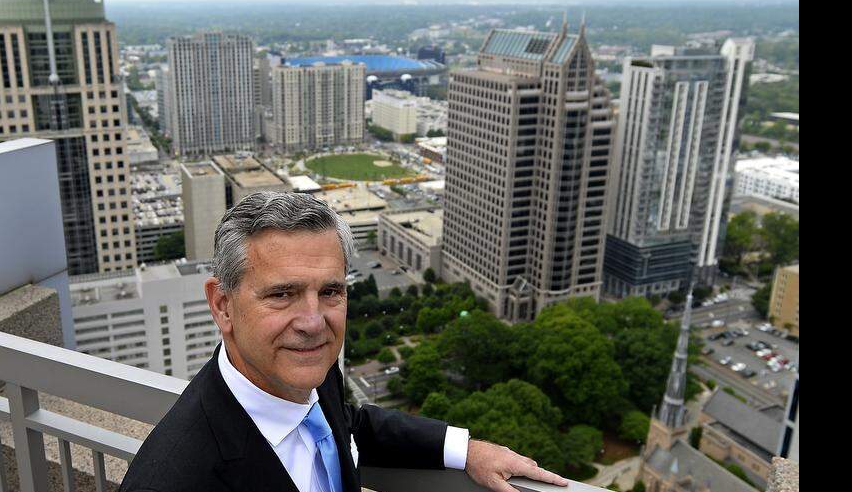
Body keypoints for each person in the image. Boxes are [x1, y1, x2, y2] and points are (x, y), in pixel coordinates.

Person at [119, 191, 568, 492]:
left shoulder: (309, 370)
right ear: (222, 305)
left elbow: (350, 424)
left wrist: (465, 449)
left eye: (330, 291)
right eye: (282, 294)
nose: (314, 322)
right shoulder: (172, 478)